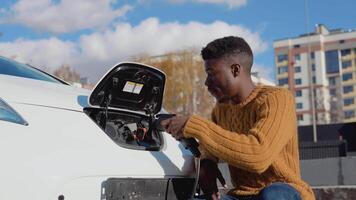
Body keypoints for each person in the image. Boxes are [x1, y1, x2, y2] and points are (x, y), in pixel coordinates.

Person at [161, 36, 315, 200]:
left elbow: (258, 155)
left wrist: (194, 125)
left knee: (273, 194)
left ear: (235, 70)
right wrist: (208, 163)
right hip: (241, 195)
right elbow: (209, 147)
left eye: (211, 73)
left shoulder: (277, 99)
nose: (206, 82)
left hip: (285, 192)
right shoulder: (221, 110)